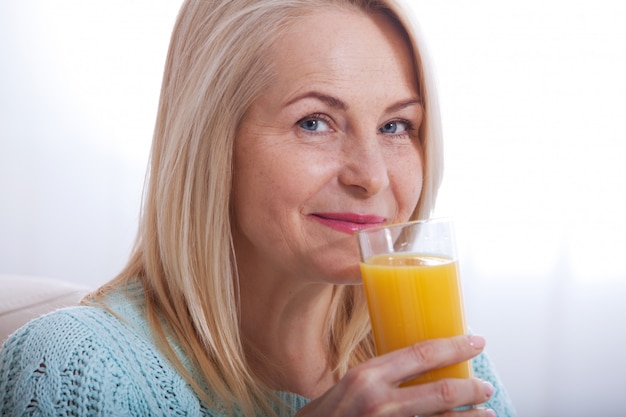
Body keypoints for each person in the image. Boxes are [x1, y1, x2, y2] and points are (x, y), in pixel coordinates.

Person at [0, 0, 517, 416]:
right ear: (211, 144)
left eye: (396, 126)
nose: (372, 176)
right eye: (314, 122)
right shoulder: (76, 365)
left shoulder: (439, 362)